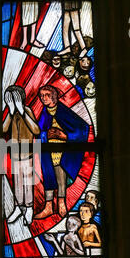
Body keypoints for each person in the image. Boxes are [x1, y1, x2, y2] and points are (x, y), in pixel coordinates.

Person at [34, 85, 89, 218]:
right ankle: (48, 206)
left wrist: (64, 136)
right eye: (41, 96)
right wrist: (46, 135)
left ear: (54, 96)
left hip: (63, 151)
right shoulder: (45, 114)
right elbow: (38, 133)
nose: (43, 98)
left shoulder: (64, 112)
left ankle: (61, 203)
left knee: (60, 175)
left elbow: (82, 129)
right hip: (48, 151)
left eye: (46, 95)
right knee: (48, 175)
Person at [3, 85, 40, 224]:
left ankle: (29, 208)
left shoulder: (27, 111)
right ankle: (18, 207)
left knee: (27, 182)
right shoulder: (11, 113)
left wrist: (22, 112)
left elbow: (36, 130)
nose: (11, 101)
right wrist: (11, 112)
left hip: (27, 154)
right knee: (17, 183)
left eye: (14, 98)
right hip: (15, 155)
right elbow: (3, 129)